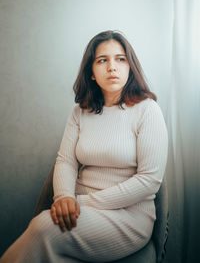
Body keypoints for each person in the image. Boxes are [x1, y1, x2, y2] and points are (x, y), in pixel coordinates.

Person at [1, 30, 168, 263]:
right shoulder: (80, 111)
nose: (112, 67)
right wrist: (63, 196)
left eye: (120, 59)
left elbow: (149, 181)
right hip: (81, 209)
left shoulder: (148, 110)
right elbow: (66, 161)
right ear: (91, 72)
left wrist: (78, 202)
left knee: (43, 227)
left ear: (130, 67)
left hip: (128, 217)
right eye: (102, 60)